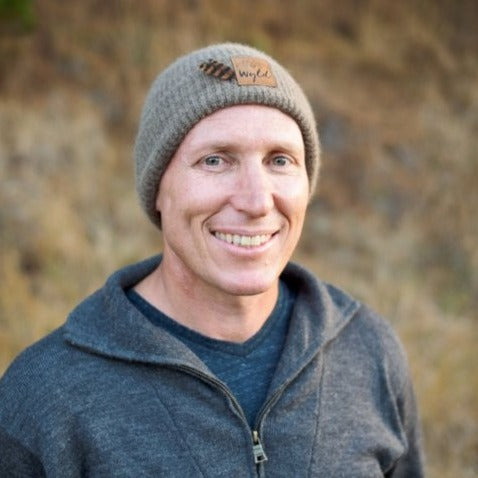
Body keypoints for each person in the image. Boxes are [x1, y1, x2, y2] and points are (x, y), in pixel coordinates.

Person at [0, 43, 425, 477]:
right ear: (158, 188)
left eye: (280, 160)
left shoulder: (368, 351)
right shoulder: (45, 396)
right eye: (216, 160)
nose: (257, 201)